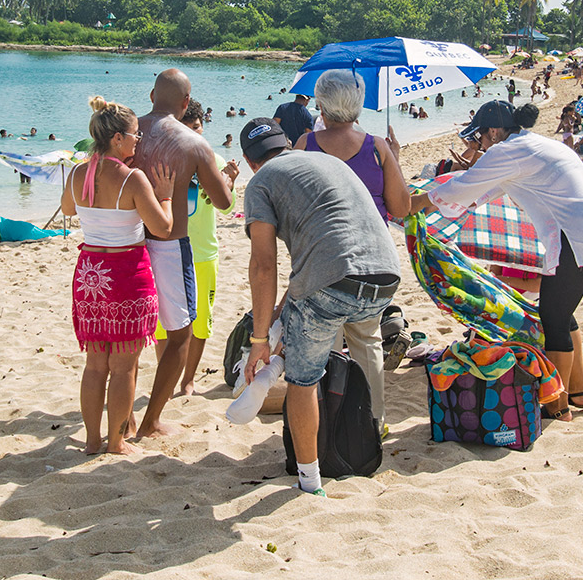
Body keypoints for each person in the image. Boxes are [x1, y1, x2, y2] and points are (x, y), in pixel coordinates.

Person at [409, 100, 583, 421]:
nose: (480, 144)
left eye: (482, 137)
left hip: (580, 234)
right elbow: (482, 193)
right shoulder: (536, 144)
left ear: (496, 131)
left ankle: (557, 406)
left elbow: (464, 187)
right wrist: (436, 205)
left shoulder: (507, 152)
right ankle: (580, 392)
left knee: (553, 318)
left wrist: (415, 202)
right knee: (561, 312)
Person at [241, 117, 400, 494]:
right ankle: (367, 432)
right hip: (385, 279)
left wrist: (259, 337)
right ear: (289, 145)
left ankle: (310, 482)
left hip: (335, 283)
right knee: (327, 329)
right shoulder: (327, 161)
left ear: (250, 162)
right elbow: (315, 259)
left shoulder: (260, 182)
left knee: (303, 379)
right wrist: (281, 314)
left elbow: (264, 266)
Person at [294, 71, 411, 428]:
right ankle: (373, 421)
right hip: (373, 261)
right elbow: (402, 208)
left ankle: (330, 420)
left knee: (323, 343)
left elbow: (293, 205)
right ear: (357, 106)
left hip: (323, 260)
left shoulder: (305, 143)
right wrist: (395, 159)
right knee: (368, 341)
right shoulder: (377, 146)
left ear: (320, 105)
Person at [60, 96, 174, 454]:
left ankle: (92, 441)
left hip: (91, 273)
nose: (139, 141)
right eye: (136, 135)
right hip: (127, 272)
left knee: (95, 364)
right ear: (118, 139)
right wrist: (167, 196)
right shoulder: (133, 179)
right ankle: (116, 443)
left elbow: (67, 209)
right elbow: (163, 227)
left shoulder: (80, 171)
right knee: (124, 366)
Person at [134, 70, 235, 439]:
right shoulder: (193, 143)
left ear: (150, 95)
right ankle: (151, 422)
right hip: (170, 246)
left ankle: (125, 421)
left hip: (127, 242)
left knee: (130, 339)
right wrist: (224, 178)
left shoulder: (127, 133)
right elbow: (223, 202)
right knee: (179, 337)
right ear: (184, 102)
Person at [153, 100, 239, 395]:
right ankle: (165, 376)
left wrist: (229, 182)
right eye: (185, 128)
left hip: (203, 252)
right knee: (162, 323)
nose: (192, 134)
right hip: (165, 249)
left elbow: (227, 209)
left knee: (201, 320)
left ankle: (188, 379)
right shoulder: (162, 157)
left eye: (197, 128)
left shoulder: (210, 158)